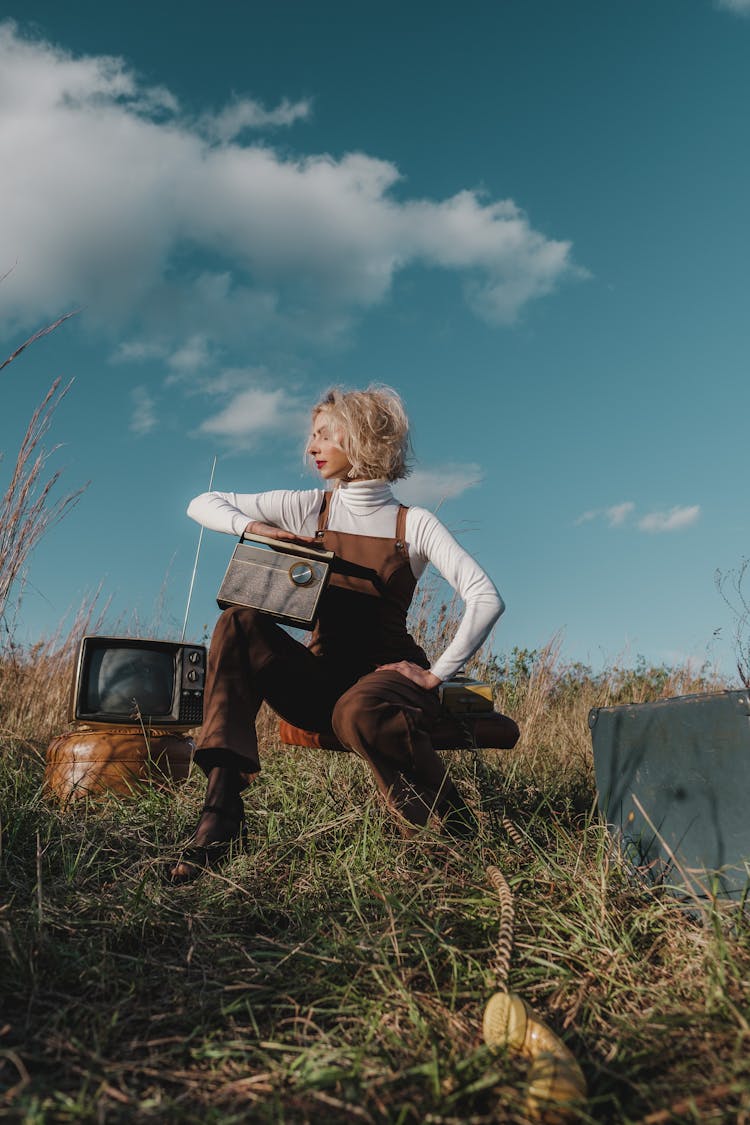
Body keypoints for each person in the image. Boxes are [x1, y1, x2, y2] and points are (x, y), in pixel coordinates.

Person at [170, 385, 504, 883]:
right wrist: (253, 529)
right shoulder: (310, 508)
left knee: (358, 707)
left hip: (387, 683)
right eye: (312, 436)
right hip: (320, 682)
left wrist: (436, 676)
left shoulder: (414, 524)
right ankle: (221, 811)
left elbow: (485, 597)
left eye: (325, 434)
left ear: (362, 435)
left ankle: (446, 829)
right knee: (239, 621)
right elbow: (202, 503)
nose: (311, 447)